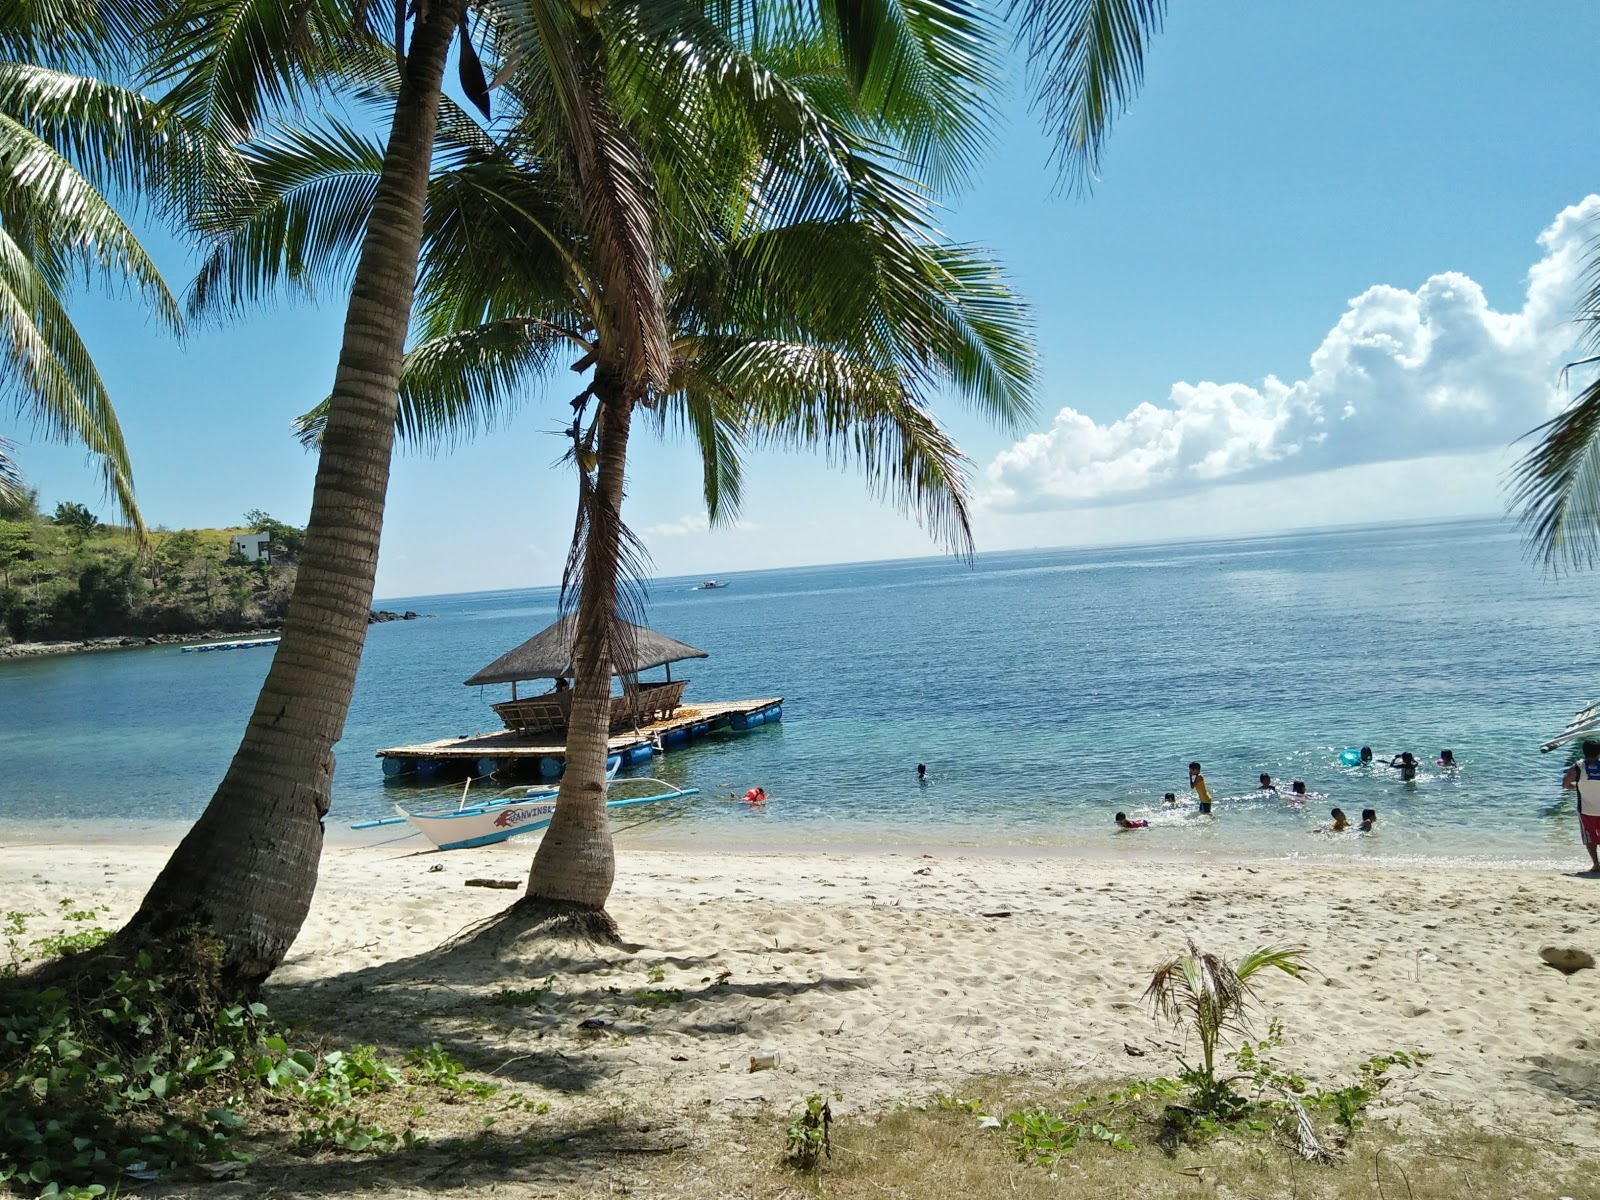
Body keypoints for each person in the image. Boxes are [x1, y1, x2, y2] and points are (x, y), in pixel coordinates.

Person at [1561, 739, 1600, 872]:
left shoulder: (1577, 767)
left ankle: (1596, 864)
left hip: (1586, 810)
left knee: (1589, 837)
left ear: (1583, 751)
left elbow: (1565, 784)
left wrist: (1576, 787)